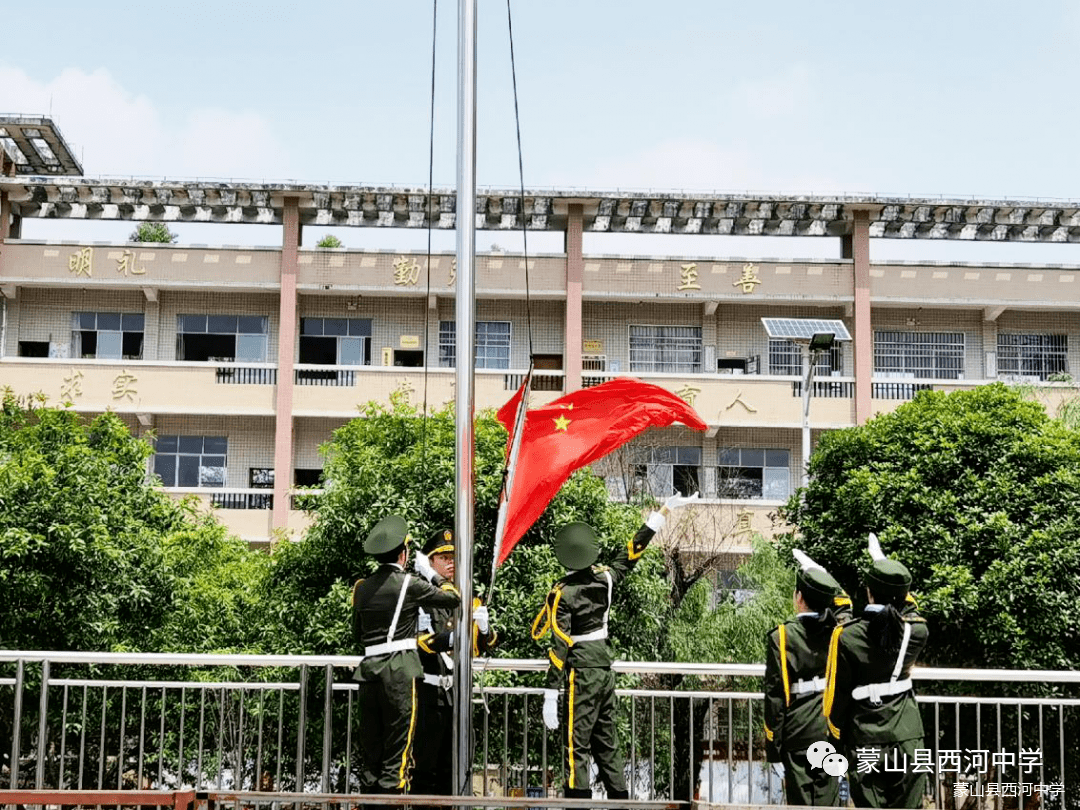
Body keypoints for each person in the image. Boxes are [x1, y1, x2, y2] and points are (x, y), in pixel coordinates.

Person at [532, 491, 700, 800]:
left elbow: (559, 647)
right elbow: (631, 554)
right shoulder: (605, 579)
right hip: (605, 672)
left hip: (580, 672)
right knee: (607, 742)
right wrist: (661, 513)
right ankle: (620, 800)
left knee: (576, 744)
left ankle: (577, 805)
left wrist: (549, 692)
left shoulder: (563, 594)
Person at [352, 515, 461, 799]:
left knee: (371, 752)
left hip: (368, 672)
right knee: (397, 755)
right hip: (399, 673)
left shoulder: (361, 587)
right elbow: (452, 598)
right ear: (404, 554)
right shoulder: (409, 583)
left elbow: (357, 633)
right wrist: (434, 575)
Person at [823, 535, 929, 808]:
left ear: (869, 591)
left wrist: (835, 736)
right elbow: (909, 605)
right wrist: (883, 565)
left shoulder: (846, 636)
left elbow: (838, 696)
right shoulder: (916, 631)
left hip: (865, 736)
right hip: (907, 735)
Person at [412, 529, 497, 802]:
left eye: (453, 557)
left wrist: (484, 629)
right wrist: (451, 638)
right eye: (443, 557)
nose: (450, 563)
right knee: (425, 771)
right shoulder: (421, 595)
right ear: (430, 562)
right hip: (428, 694)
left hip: (456, 697)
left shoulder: (466, 596)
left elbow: (486, 645)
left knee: (455, 771)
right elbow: (421, 642)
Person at [763, 549, 850, 807]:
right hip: (830, 726)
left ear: (799, 597)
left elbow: (775, 696)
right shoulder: (839, 630)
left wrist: (772, 749)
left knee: (801, 803)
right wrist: (822, 574)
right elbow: (844, 603)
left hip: (797, 731)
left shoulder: (782, 635)